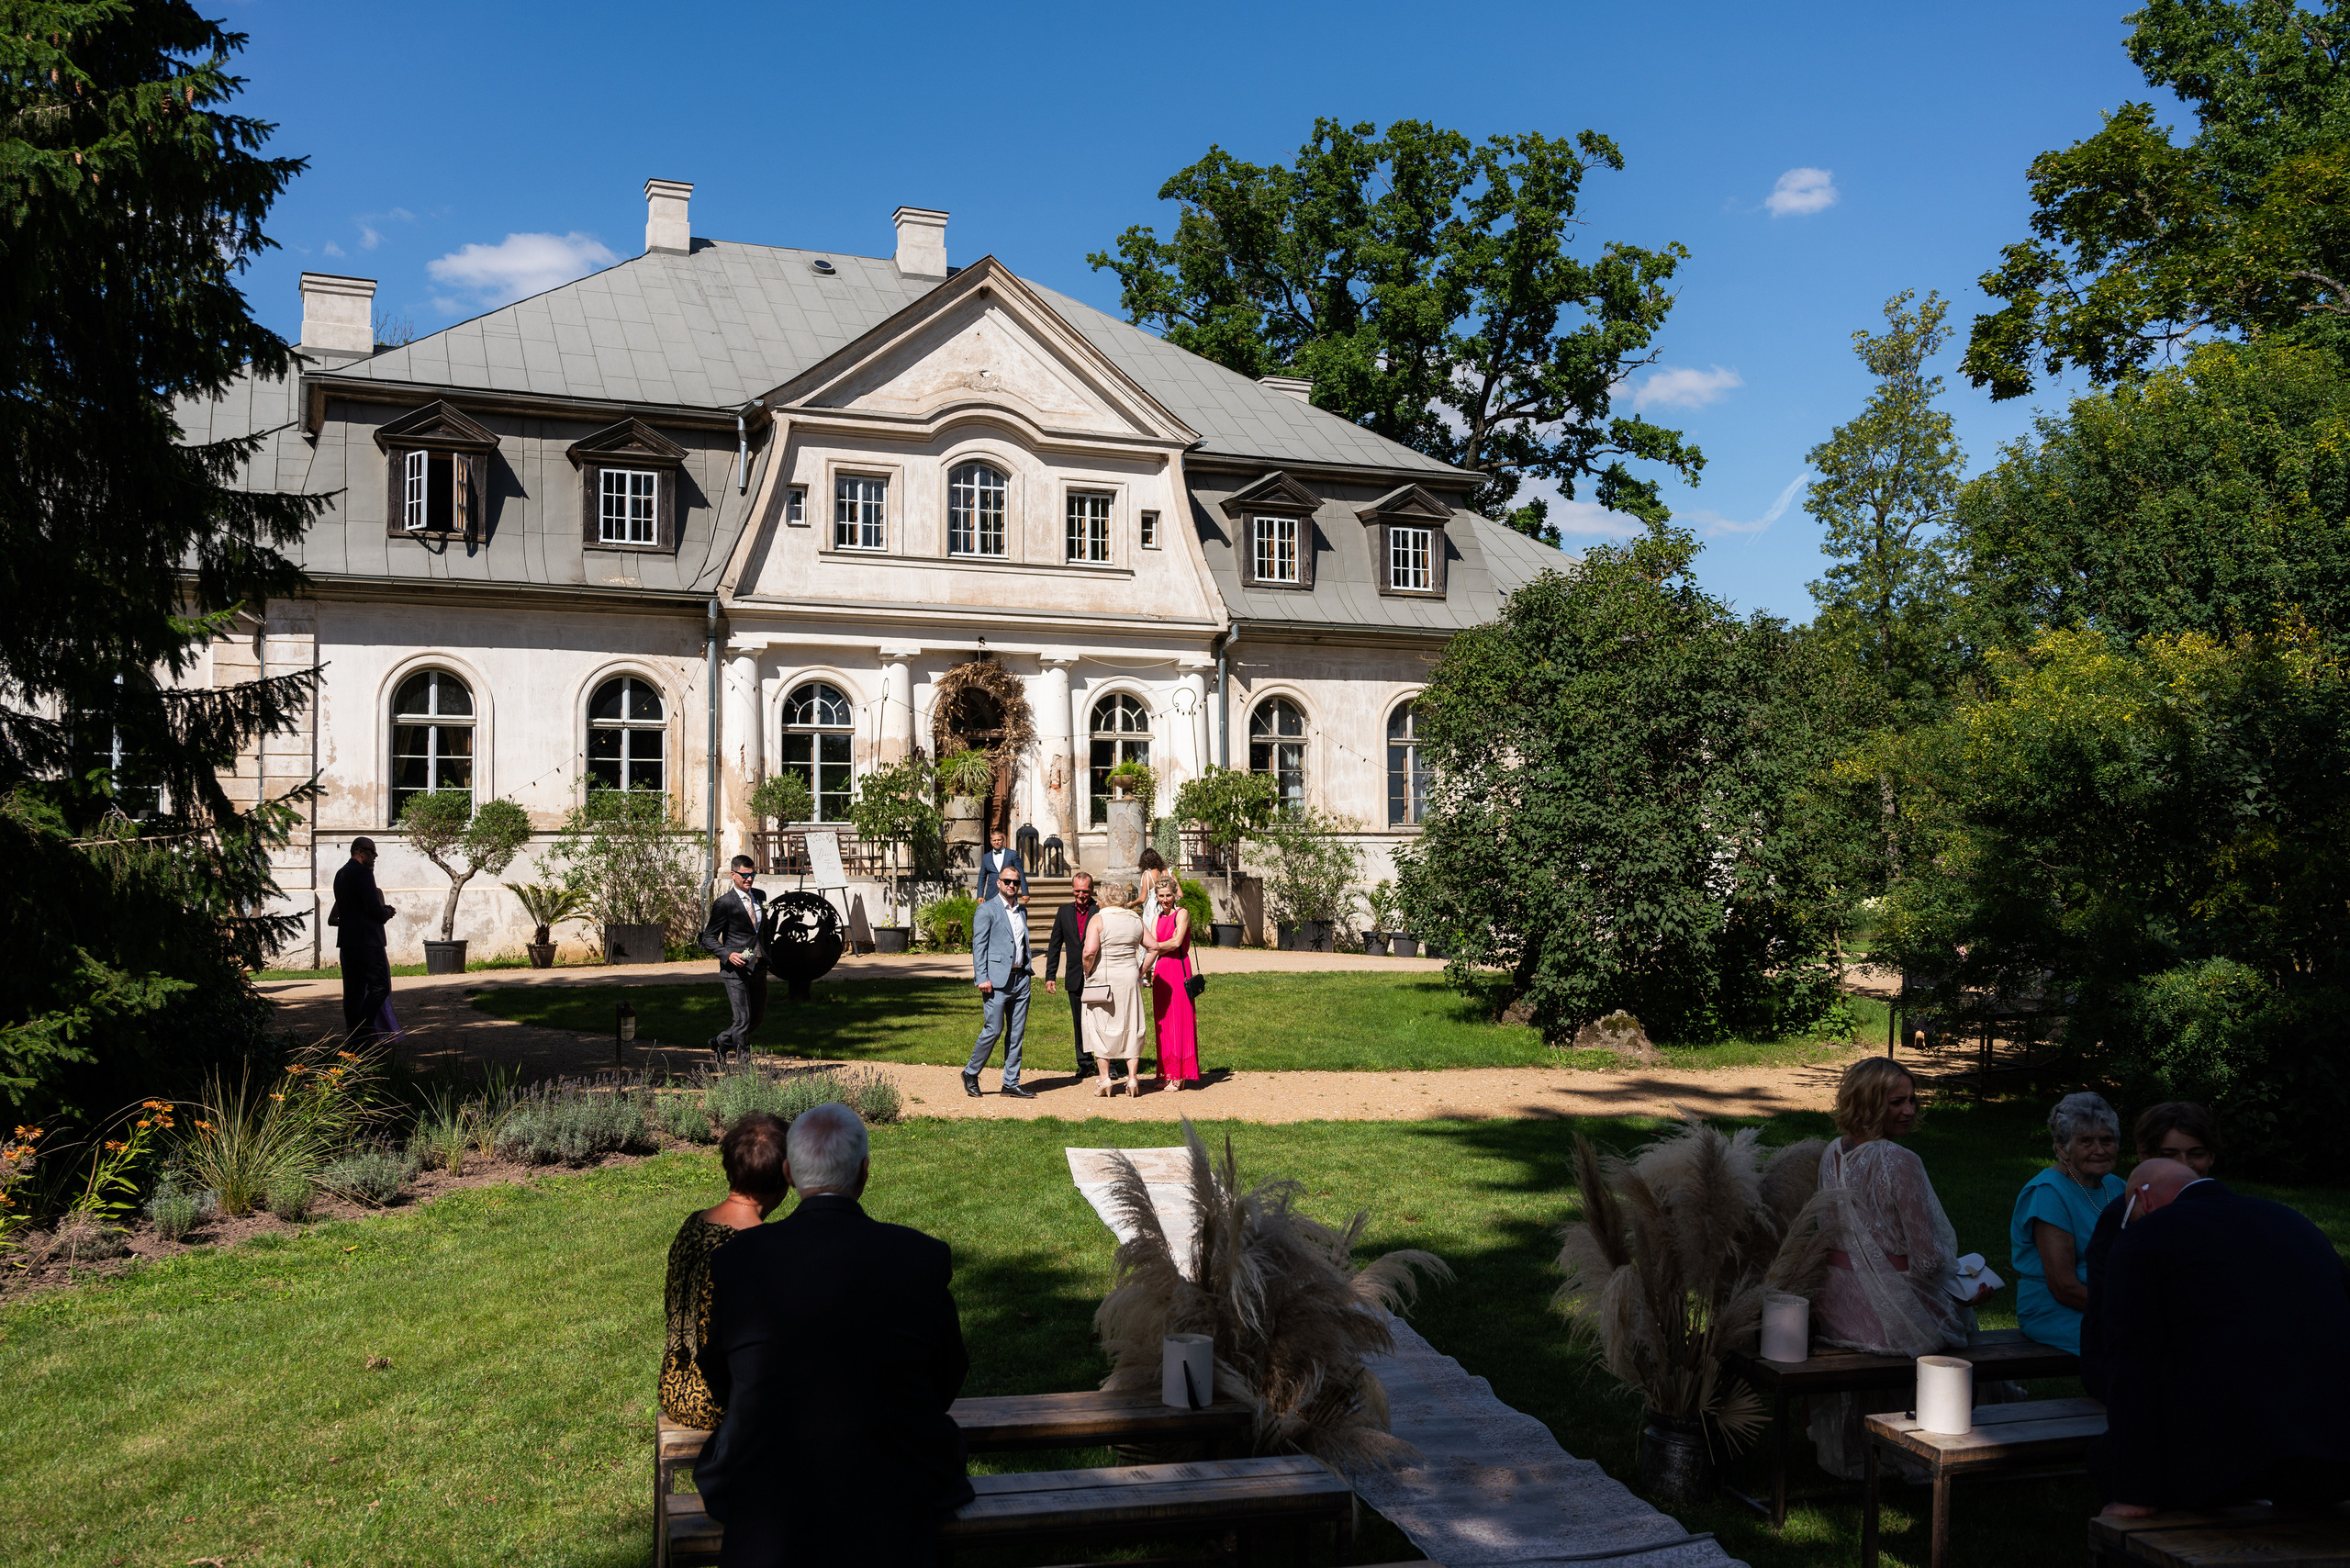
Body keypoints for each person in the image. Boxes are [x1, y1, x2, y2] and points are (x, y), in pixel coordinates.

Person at [695, 1103, 973, 1565]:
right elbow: (948, 1373)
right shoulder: (919, 1258)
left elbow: (718, 1373)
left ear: (787, 1172)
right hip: (893, 1489)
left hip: (769, 1489)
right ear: (864, 1172)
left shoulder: (739, 1261)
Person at [2091, 1157, 2350, 1516]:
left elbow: (2132, 1365)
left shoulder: (2146, 1237)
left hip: (2237, 1462)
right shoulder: (2293, 1222)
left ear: (2142, 1199)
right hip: (2337, 1452)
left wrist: (2135, 1496)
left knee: (2103, 1456)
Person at [1808, 1056, 1994, 1478]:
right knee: (1965, 1323)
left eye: (1912, 1100)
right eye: (1896, 1102)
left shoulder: (1831, 1154)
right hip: (1887, 1319)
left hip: (1836, 1312)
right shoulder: (1899, 1161)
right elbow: (1929, 1261)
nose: (1910, 1110)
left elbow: (1826, 1233)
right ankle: (1958, 1437)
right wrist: (1965, 1280)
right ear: (1867, 1103)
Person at [2080, 1103, 2222, 1401]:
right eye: (2169, 1155)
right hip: (2131, 1366)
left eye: (2195, 1153)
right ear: (2144, 1157)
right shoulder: (2123, 1218)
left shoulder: (2223, 1212)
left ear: (2211, 1156)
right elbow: (2113, 1317)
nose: (2185, 1165)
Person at [660, 1112, 788, 1428]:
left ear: (729, 1168)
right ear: (787, 1177)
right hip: (721, 1400)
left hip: (675, 1386)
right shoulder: (754, 1247)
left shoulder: (693, 1225)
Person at [2009, 1092, 2124, 1354]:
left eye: (2107, 1140)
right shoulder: (2048, 1193)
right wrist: (2124, 1311)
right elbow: (2063, 1287)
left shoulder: (2117, 1186)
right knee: (2134, 1346)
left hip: (2110, 1301)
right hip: (2057, 1308)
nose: (2099, 1150)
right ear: (2062, 1149)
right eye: (2085, 1141)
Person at [964, 865, 1035, 1098]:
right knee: (993, 1029)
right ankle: (971, 1072)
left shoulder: (1021, 911)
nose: (1012, 885)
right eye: (1007, 881)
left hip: (1021, 978)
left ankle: (1011, 1082)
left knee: (1017, 1033)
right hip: (996, 981)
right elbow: (979, 946)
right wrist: (981, 978)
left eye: (1016, 882)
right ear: (998, 883)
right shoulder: (986, 910)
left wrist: (1026, 969)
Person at [699, 856, 769, 1066]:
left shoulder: (760, 896)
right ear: (733, 875)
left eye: (752, 874)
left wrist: (767, 955)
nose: (749, 879)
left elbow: (763, 930)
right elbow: (708, 937)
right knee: (742, 1020)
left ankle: (720, 1042)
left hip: (758, 967)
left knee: (756, 1019)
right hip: (735, 970)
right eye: (745, 875)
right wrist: (727, 954)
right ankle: (745, 1073)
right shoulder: (724, 904)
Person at [1080, 880, 1148, 1096]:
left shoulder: (1098, 919)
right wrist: (1140, 970)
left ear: (1103, 899)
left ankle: (1104, 1079)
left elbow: (1089, 952)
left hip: (1104, 978)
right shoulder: (1135, 918)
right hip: (1129, 977)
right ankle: (1132, 1078)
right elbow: (1154, 946)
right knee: (1132, 1022)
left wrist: (1087, 971)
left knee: (1100, 1025)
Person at [330, 836, 397, 1050]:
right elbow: (372, 908)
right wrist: (386, 912)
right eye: (372, 852)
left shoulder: (340, 874)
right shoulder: (363, 873)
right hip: (368, 943)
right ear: (359, 851)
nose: (375, 856)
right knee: (380, 988)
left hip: (348, 943)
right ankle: (361, 1034)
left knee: (353, 993)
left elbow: (345, 909)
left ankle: (354, 1040)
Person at [1144, 870, 1200, 1089]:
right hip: (1161, 971)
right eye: (1161, 896)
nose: (1165, 899)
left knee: (1179, 1020)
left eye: (1168, 895)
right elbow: (1152, 943)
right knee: (1164, 1023)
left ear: (1174, 895)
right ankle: (1168, 1072)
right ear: (1156, 897)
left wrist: (1155, 947)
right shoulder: (1157, 917)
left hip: (1178, 967)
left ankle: (1180, 1075)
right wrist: (1146, 970)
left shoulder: (1182, 913)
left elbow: (1176, 942)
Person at [1043, 869, 1100, 1080]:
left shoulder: (1100, 909)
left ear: (1091, 890)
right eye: (1077, 891)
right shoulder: (1064, 912)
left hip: (1098, 975)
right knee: (1079, 1022)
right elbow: (1055, 945)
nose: (1081, 895)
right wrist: (1050, 975)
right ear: (1072, 889)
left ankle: (1109, 1062)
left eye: (1085, 891)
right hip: (1075, 975)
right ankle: (1085, 1062)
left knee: (1103, 1020)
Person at [977, 827, 1025, 905]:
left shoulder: (1013, 854)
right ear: (991, 841)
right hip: (991, 894)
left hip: (1009, 892)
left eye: (999, 840)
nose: (997, 842)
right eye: (994, 840)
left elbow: (1021, 874)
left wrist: (1025, 892)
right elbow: (982, 877)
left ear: (1003, 840)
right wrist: (980, 895)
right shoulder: (986, 857)